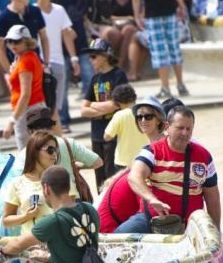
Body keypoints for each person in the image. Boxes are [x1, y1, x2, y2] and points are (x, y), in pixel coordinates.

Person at [0, 165, 101, 263]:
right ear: (68, 186)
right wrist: (49, 257)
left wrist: (0, 251)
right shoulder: (89, 209)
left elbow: (16, 245)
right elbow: (77, 250)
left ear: (46, 189)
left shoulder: (53, 222)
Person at [119, 105, 220, 233]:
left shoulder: (204, 156)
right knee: (119, 236)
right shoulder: (151, 151)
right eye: (180, 128)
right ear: (167, 127)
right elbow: (134, 177)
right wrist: (152, 200)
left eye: (189, 129)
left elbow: (212, 196)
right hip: (153, 219)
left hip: (191, 225)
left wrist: (216, 230)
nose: (185, 133)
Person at [97, 96, 166, 233]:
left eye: (148, 116)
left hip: (154, 209)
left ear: (159, 119)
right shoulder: (150, 146)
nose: (142, 120)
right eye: (139, 117)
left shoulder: (162, 145)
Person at [80, 38, 128, 185]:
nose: (90, 60)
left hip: (113, 133)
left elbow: (117, 104)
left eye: (94, 56)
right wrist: (104, 107)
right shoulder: (95, 78)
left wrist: (93, 106)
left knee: (112, 175)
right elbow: (83, 111)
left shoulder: (118, 75)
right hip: (96, 134)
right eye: (90, 57)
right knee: (99, 177)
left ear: (105, 56)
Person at [25, 106, 103, 196]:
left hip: (43, 204)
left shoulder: (26, 152)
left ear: (30, 131)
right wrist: (75, 166)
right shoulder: (68, 143)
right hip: (72, 199)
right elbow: (98, 162)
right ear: (52, 127)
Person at [34, 0, 78, 128]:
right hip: (40, 63)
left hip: (58, 61)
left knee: (56, 105)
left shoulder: (59, 10)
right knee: (44, 105)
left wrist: (74, 59)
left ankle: (56, 133)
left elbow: (67, 34)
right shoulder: (33, 11)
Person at [2, 131, 60, 233]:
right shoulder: (17, 183)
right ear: (35, 152)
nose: (54, 154)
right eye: (50, 150)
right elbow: (6, 221)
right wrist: (25, 216)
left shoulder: (60, 178)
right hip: (32, 245)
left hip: (58, 243)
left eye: (56, 150)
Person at [3, 25, 47, 150]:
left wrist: (12, 121)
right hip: (36, 107)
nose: (12, 45)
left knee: (26, 156)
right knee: (39, 153)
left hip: (27, 110)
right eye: (9, 41)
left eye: (17, 41)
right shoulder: (29, 57)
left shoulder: (25, 61)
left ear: (27, 41)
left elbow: (25, 94)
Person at [0, 0, 49, 74]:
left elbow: (44, 38)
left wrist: (46, 63)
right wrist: (9, 71)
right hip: (16, 68)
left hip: (36, 65)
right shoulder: (3, 17)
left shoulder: (35, 11)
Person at [54, 0, 90, 103]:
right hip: (61, 47)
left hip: (81, 43)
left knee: (89, 76)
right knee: (63, 83)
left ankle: (90, 107)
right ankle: (63, 117)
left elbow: (82, 17)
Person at [100, 0, 140, 79]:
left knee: (129, 30)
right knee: (110, 33)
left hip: (130, 25)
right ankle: (107, 66)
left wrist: (132, 19)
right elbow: (107, 15)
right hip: (114, 24)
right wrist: (125, 18)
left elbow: (139, 11)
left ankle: (120, 64)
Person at [103, 84, 148, 171]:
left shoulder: (120, 115)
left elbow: (107, 137)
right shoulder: (145, 112)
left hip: (124, 161)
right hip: (144, 159)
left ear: (118, 102)